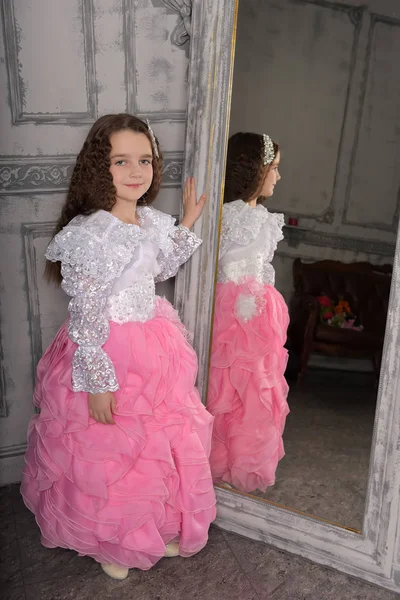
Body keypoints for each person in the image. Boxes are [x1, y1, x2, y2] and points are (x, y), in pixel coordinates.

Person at [21, 113, 216, 580]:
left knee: (153, 442)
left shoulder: (149, 220)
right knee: (109, 447)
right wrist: (96, 380)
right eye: (121, 161)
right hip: (107, 348)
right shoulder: (93, 233)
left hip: (153, 339)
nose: (136, 172)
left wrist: (185, 223)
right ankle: (111, 537)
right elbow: (87, 312)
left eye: (144, 160)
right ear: (98, 168)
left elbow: (160, 267)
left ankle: (145, 529)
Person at [207, 131, 289, 494]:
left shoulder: (263, 219)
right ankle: (219, 466)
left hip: (255, 321)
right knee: (230, 391)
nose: (278, 176)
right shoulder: (235, 216)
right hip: (233, 318)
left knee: (247, 393)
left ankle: (229, 467)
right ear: (256, 170)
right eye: (275, 168)